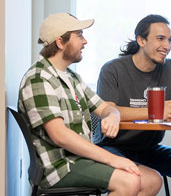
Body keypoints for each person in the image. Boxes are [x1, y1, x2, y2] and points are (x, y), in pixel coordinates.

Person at [18, 13, 162, 196]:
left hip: (80, 159)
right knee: (130, 181)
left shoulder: (72, 78)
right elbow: (60, 136)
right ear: (60, 42)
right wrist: (113, 160)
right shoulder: (39, 79)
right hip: (60, 167)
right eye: (79, 35)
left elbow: (106, 108)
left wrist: (113, 116)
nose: (84, 41)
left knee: (152, 180)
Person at [94, 14, 171, 196]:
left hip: (148, 148)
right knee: (142, 178)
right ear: (141, 40)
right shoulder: (112, 69)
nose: (167, 46)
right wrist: (157, 111)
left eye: (170, 40)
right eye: (160, 39)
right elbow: (108, 111)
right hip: (112, 147)